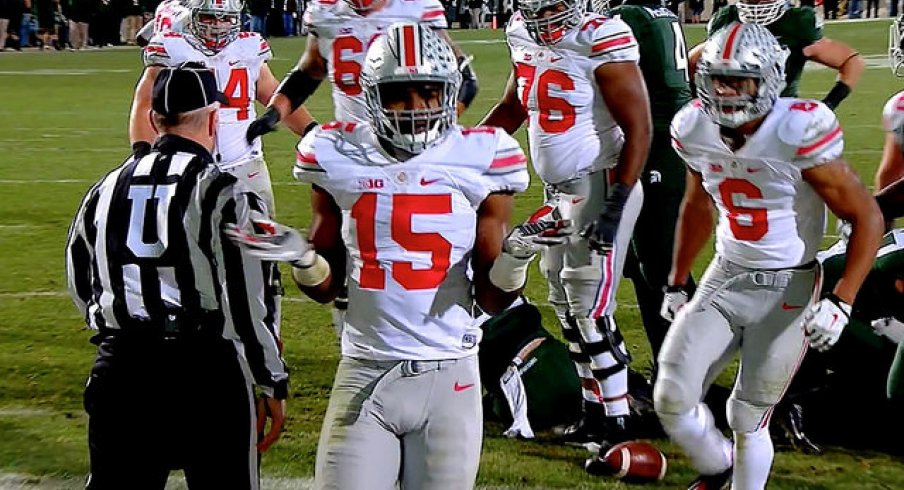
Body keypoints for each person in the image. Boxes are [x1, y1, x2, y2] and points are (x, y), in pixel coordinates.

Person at [230, 22, 549, 490]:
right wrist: (302, 257)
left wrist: (517, 255)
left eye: (429, 92)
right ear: (373, 95)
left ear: (451, 93)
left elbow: (491, 298)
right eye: (401, 93)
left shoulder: (485, 155)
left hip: (450, 376)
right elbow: (327, 287)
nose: (417, 108)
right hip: (364, 369)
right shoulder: (335, 152)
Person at [655, 22, 883, 489]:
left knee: (748, 412)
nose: (726, 91)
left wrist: (842, 300)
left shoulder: (798, 128)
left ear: (769, 81)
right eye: (718, 78)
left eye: (739, 80)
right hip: (726, 275)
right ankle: (717, 465)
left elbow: (868, 217)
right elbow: (698, 204)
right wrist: (678, 280)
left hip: (789, 284)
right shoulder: (695, 126)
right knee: (671, 397)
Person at [65, 63, 289, 490]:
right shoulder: (223, 189)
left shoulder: (105, 188)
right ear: (214, 117)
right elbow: (248, 298)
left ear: (154, 119)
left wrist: (119, 332)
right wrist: (270, 378)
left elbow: (80, 277)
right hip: (204, 370)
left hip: (122, 369)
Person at [480, 0, 652, 451]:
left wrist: (616, 202)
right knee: (562, 300)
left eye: (554, 6)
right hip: (559, 189)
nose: (543, 17)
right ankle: (594, 410)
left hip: (600, 182)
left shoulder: (601, 35)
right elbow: (514, 104)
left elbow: (639, 126)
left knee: (588, 303)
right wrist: (465, 144)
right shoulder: (521, 31)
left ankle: (620, 418)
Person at [589, 0, 693, 385]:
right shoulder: (658, 13)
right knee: (647, 266)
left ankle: (684, 375)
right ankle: (669, 369)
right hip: (667, 139)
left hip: (655, 144)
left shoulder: (629, 17)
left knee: (663, 270)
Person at [130, 0, 316, 214]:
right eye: (209, 17)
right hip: (187, 165)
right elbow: (144, 103)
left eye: (226, 18)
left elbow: (276, 94)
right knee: (191, 238)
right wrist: (142, 152)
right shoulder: (173, 48)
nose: (218, 25)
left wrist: (310, 130)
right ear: (191, 17)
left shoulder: (248, 47)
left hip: (245, 161)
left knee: (261, 238)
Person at [243, 0, 479, 143]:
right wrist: (274, 112)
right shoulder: (327, 13)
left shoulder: (415, 9)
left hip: (414, 142)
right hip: (354, 146)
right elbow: (309, 73)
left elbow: (465, 78)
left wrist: (436, 125)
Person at [693, 0, 864, 111]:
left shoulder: (796, 22)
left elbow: (851, 61)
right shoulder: (725, 19)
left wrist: (829, 103)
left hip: (779, 116)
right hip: (730, 113)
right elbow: (693, 62)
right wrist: (697, 101)